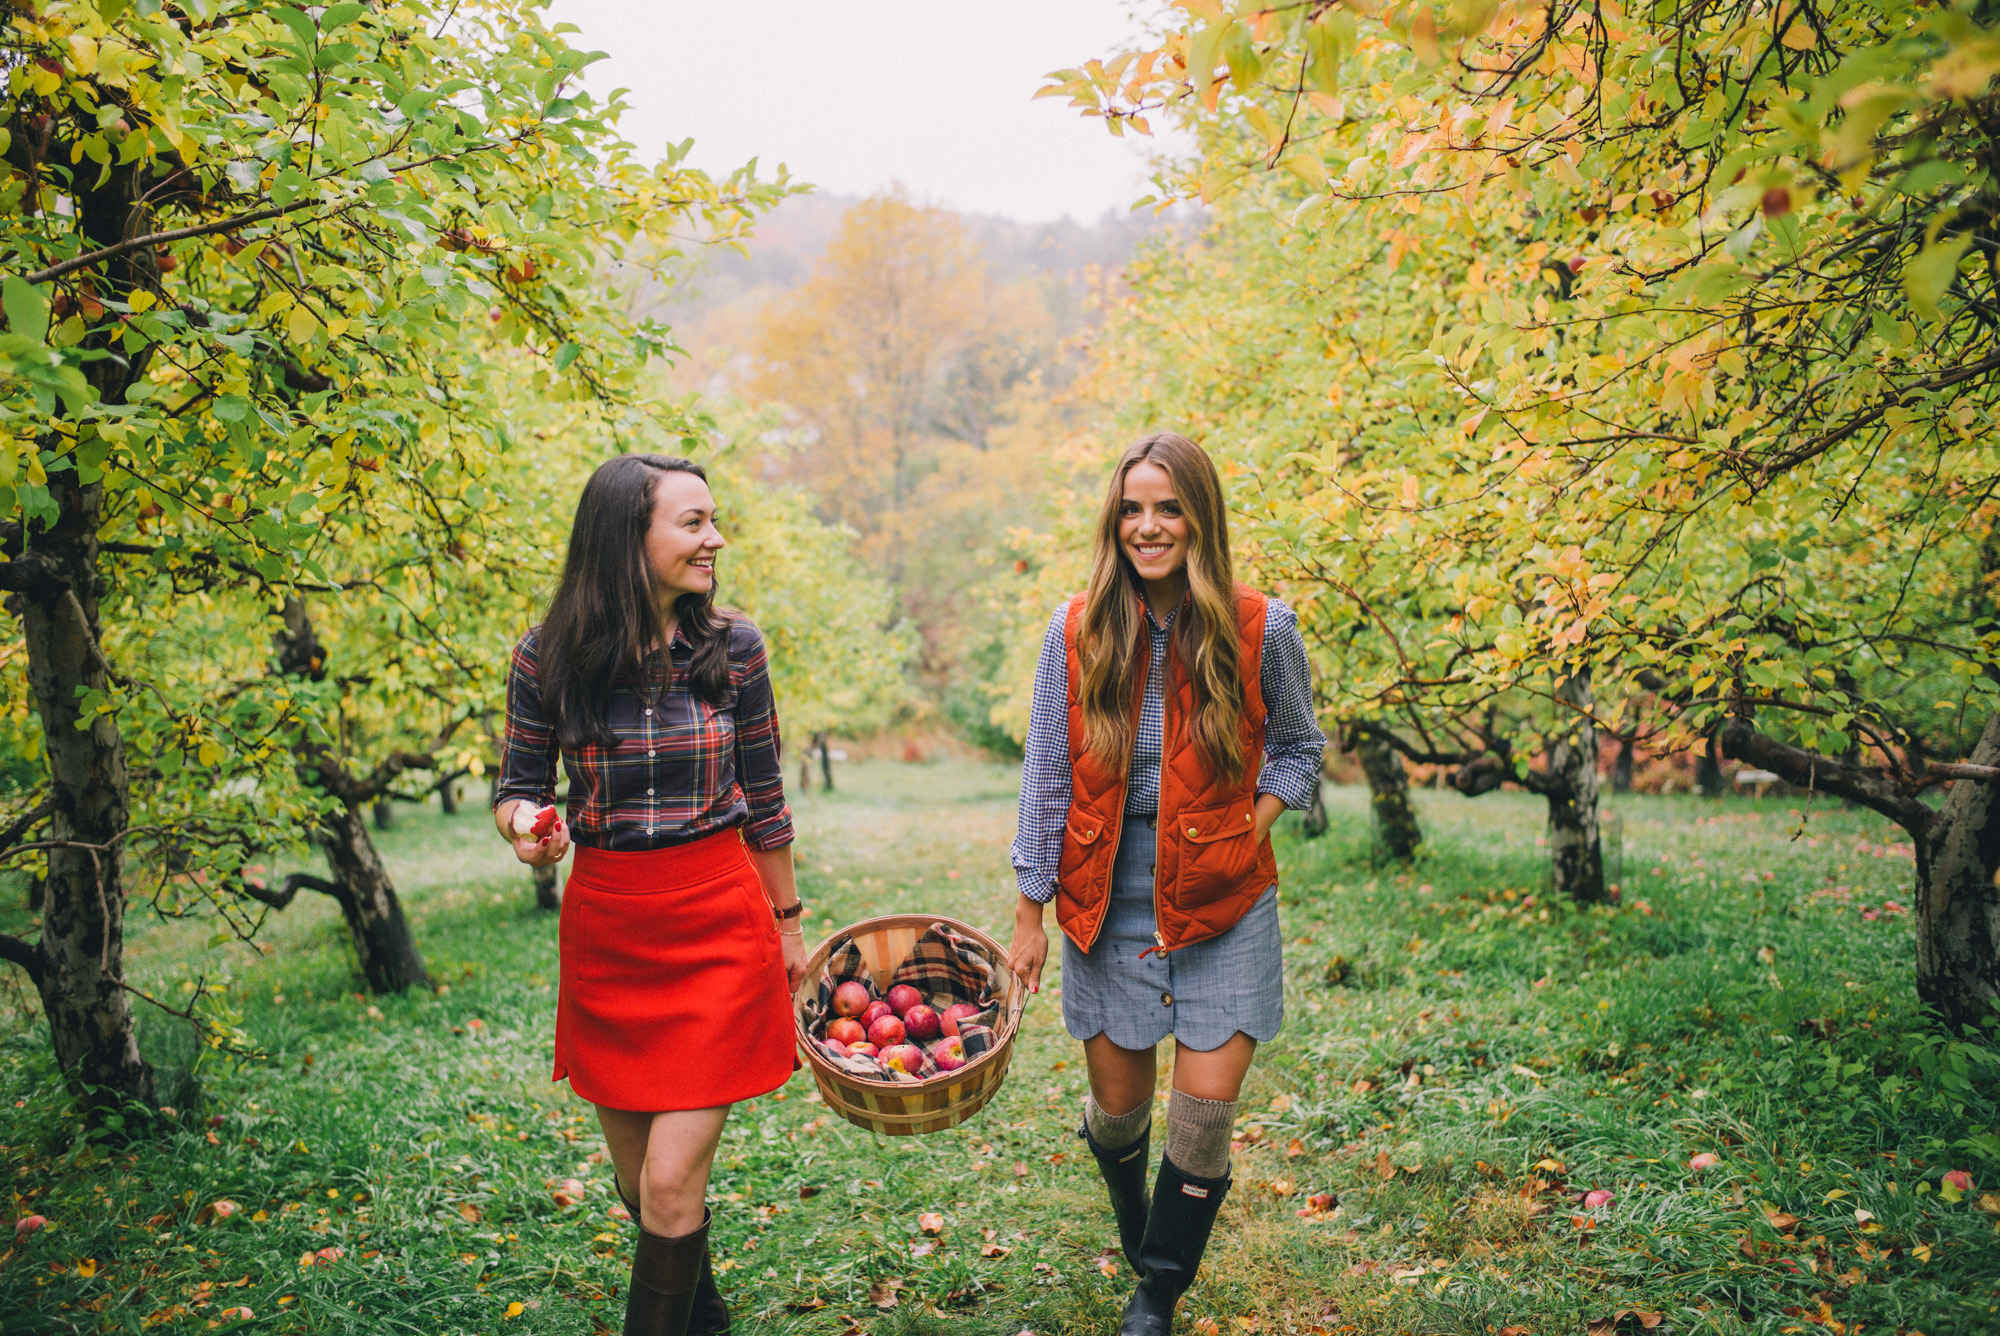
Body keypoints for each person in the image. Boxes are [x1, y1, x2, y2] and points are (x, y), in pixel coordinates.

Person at [1007, 432, 1324, 1335]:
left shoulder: (1264, 625)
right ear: (1117, 520)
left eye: (1169, 507)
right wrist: (1031, 913)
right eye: (1134, 508)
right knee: (1120, 1116)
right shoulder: (1074, 629)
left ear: (1200, 518)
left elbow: (1301, 749)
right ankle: (1148, 1236)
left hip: (1224, 897)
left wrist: (1244, 832)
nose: (1149, 526)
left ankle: (1156, 1297)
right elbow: (1045, 778)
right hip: (1106, 893)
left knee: (1202, 1123)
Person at [494, 454, 808, 1336]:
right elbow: (517, 787)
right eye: (694, 523)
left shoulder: (733, 647)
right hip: (608, 930)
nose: (715, 540)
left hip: (716, 920)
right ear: (628, 540)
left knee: (671, 1186)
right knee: (641, 1188)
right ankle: (702, 1320)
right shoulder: (547, 656)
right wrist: (527, 828)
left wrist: (788, 927)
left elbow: (767, 801)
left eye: (715, 521)